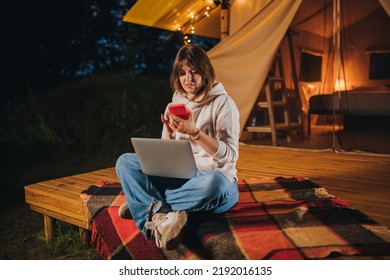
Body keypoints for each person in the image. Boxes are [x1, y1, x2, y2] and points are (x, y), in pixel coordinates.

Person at [115, 44, 240, 250]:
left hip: (215, 181)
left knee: (215, 184)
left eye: (194, 72)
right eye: (182, 73)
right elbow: (166, 159)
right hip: (180, 179)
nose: (188, 79)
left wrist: (195, 133)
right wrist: (170, 136)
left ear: (205, 72)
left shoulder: (223, 103)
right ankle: (158, 213)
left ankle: (145, 203)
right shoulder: (174, 105)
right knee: (126, 161)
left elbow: (230, 156)